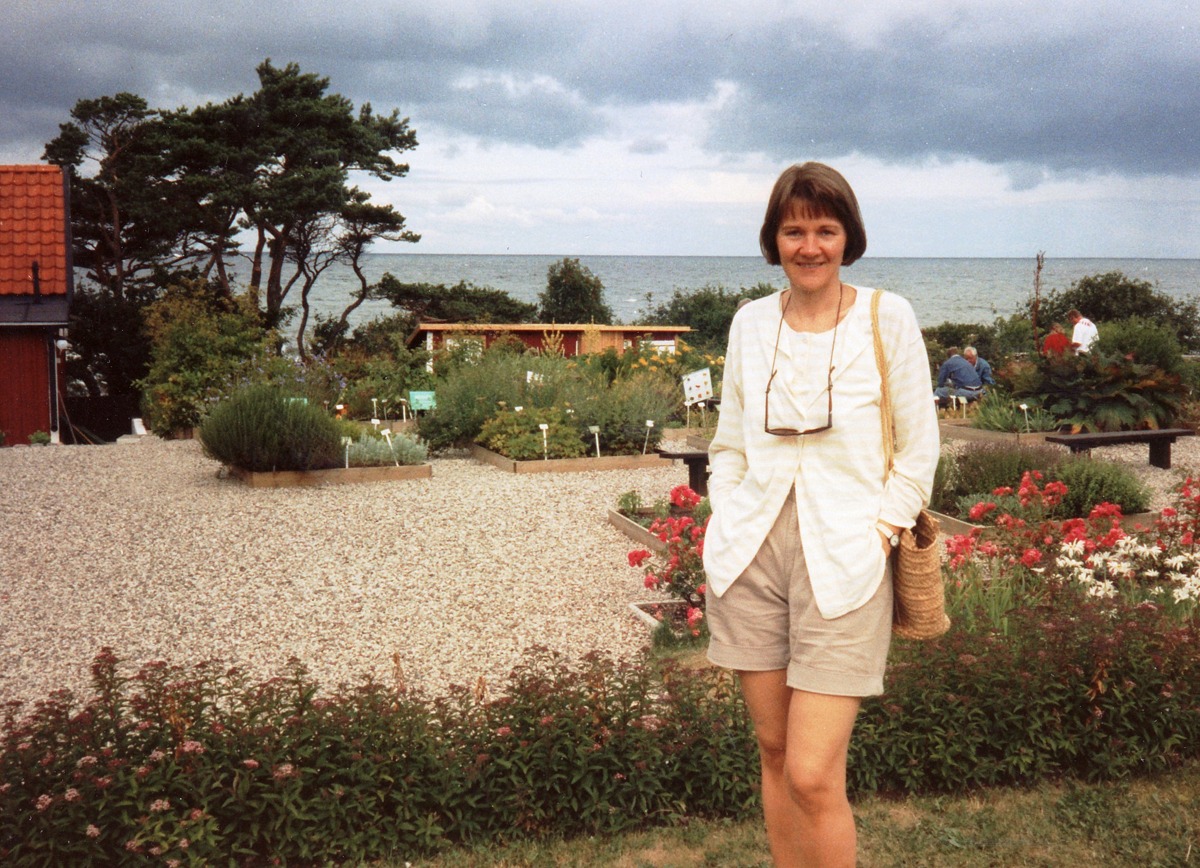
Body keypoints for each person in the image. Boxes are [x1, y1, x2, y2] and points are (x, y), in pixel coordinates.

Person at [703, 162, 939, 867]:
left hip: (846, 558)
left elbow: (919, 449)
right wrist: (727, 516)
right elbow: (728, 443)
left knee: (811, 771)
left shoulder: (887, 317)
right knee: (775, 752)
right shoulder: (750, 323)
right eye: (794, 231)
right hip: (749, 554)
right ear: (774, 240)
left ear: (849, 238)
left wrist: (881, 534)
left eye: (826, 230)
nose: (810, 247)